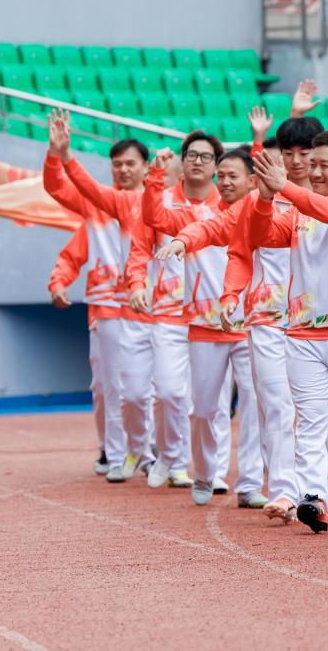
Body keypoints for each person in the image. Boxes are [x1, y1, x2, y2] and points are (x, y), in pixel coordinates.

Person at [248, 129, 328, 533]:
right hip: (304, 334)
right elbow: (260, 235)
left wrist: (285, 187)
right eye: (313, 164)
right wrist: (267, 198)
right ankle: (312, 497)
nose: (316, 172)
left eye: (325, 166)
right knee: (309, 420)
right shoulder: (298, 212)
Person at [217, 105, 325, 522]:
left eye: (305, 151)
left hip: (317, 319)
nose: (296, 160)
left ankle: (319, 485)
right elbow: (240, 252)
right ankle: (283, 490)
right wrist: (230, 294)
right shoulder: (257, 200)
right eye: (289, 151)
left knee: (313, 409)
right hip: (267, 316)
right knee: (277, 403)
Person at [144, 137, 265, 508]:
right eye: (223, 175)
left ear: (251, 181)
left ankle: (249, 483)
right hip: (204, 325)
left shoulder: (261, 215)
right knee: (203, 409)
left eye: (233, 175)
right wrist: (154, 178)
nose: (226, 181)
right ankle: (204, 473)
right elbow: (156, 218)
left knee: (255, 405)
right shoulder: (195, 214)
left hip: (247, 324)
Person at [43, 110, 154, 481]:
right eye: (116, 164)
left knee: (147, 387)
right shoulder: (96, 205)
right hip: (107, 307)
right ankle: (114, 450)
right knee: (107, 384)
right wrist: (55, 154)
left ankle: (146, 449)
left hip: (151, 307)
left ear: (145, 167)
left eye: (130, 164)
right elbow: (57, 191)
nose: (122, 170)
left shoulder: (157, 206)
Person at [125, 153, 195, 490]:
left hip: (210, 315)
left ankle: (198, 467)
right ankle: (171, 455)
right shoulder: (156, 207)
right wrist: (137, 285)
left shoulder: (220, 202)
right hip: (168, 312)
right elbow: (139, 251)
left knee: (202, 402)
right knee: (169, 392)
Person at [48, 225, 111, 474]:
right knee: (104, 386)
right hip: (104, 313)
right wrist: (58, 282)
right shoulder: (98, 218)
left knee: (156, 389)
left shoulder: (160, 212)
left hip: (154, 315)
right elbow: (71, 256)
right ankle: (109, 447)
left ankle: (153, 448)